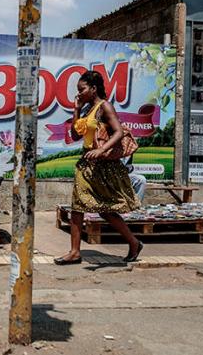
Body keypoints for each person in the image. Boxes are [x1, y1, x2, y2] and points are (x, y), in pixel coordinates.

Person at [54, 71, 143, 265]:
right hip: (86, 164)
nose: (78, 94)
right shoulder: (87, 109)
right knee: (77, 207)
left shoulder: (105, 107)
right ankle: (75, 252)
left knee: (105, 210)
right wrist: (76, 110)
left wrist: (101, 149)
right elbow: (76, 136)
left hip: (103, 165)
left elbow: (119, 132)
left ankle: (134, 242)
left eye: (81, 89)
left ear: (93, 89)